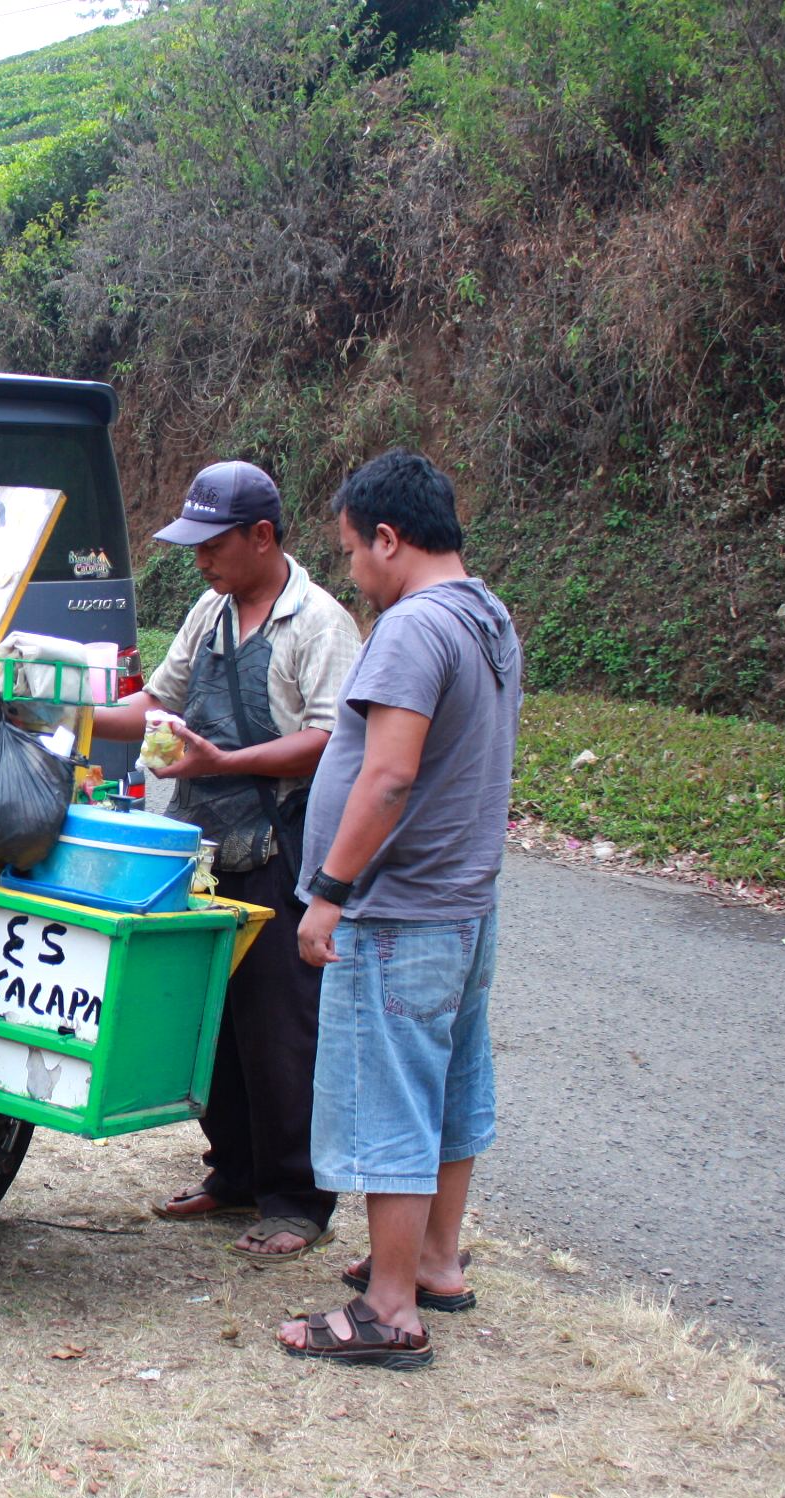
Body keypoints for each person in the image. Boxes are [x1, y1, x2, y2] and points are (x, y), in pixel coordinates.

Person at [277, 448, 522, 1369]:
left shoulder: (415, 627)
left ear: (389, 537)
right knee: (450, 1086)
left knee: (390, 1097)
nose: (351, 572)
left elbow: (387, 776)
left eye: (351, 552)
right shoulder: (486, 613)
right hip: (463, 903)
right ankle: (433, 1261)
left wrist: (331, 894)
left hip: (402, 906)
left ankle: (389, 1312)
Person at [96, 460, 359, 1261]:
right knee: (209, 1024)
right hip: (203, 846)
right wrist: (66, 711)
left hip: (281, 847)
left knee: (280, 1032)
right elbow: (156, 705)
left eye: (213, 545)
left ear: (263, 537)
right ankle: (234, 1171)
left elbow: (331, 740)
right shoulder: (209, 613)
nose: (200, 560)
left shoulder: (319, 624)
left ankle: (297, 1199)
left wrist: (224, 765)